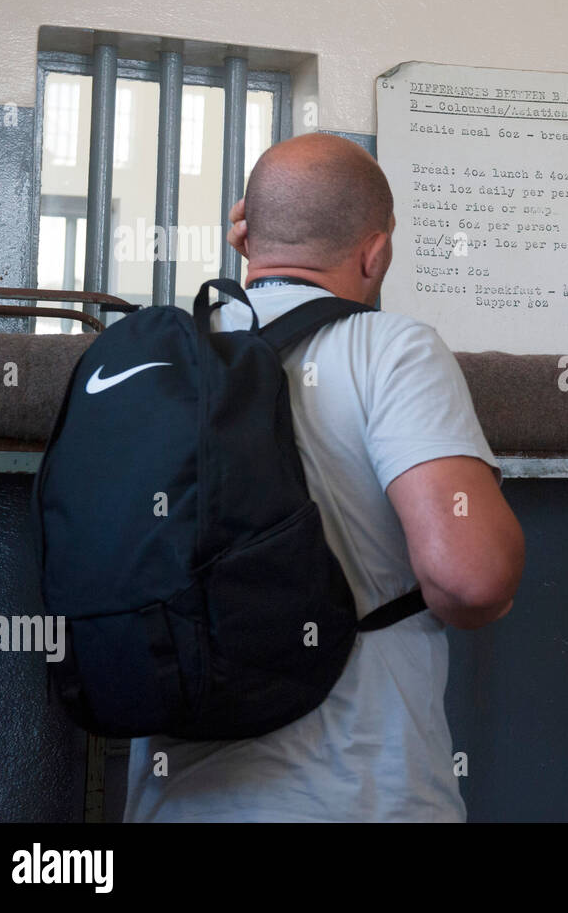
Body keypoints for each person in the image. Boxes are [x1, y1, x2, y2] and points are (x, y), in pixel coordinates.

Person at [124, 133, 524, 822]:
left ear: (243, 233)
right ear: (375, 252)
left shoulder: (159, 361)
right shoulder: (393, 350)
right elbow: (470, 577)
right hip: (356, 800)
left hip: (173, 804)